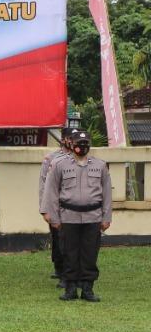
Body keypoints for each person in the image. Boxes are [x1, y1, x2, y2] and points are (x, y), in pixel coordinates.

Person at [44, 130, 112, 302]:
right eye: (78, 143)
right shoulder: (59, 164)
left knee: (90, 254)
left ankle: (88, 289)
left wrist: (106, 217)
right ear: (71, 144)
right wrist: (54, 217)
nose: (82, 146)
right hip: (68, 217)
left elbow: (107, 194)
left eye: (85, 143)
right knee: (69, 253)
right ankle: (71, 288)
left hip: (93, 217)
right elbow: (51, 191)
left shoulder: (100, 165)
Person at [39, 126, 80, 286]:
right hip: (57, 206)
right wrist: (44, 208)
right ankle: (61, 270)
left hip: (76, 206)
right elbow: (44, 184)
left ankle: (72, 272)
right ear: (63, 139)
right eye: (71, 138)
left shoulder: (82, 157)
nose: (74, 142)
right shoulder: (51, 159)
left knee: (74, 241)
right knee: (59, 240)